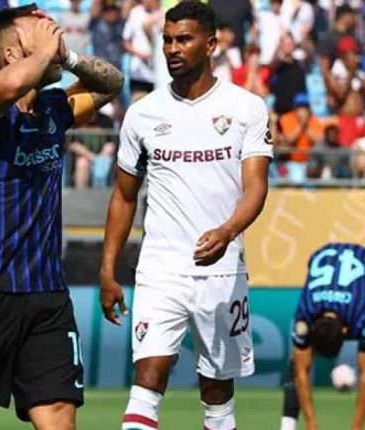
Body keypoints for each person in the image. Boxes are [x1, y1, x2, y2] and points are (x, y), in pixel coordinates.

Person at [0, 4, 123, 430]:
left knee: (59, 421)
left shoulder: (55, 108)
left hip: (47, 295)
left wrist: (67, 57)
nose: (53, 34)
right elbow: (11, 84)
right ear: (12, 54)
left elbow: (112, 83)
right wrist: (45, 52)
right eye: (39, 31)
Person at [99, 2, 272, 430]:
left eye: (184, 39)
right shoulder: (143, 114)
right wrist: (108, 269)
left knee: (217, 393)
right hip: (161, 268)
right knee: (148, 378)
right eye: (167, 40)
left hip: (222, 270)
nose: (173, 49)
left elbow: (256, 188)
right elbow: (124, 197)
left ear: (210, 45)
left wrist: (227, 232)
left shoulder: (246, 108)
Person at [280, 243, 365, 430]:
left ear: (346, 331)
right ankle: (287, 427)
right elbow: (301, 372)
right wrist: (311, 424)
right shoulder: (306, 312)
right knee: (297, 359)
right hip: (322, 258)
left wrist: (357, 427)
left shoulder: (361, 316)